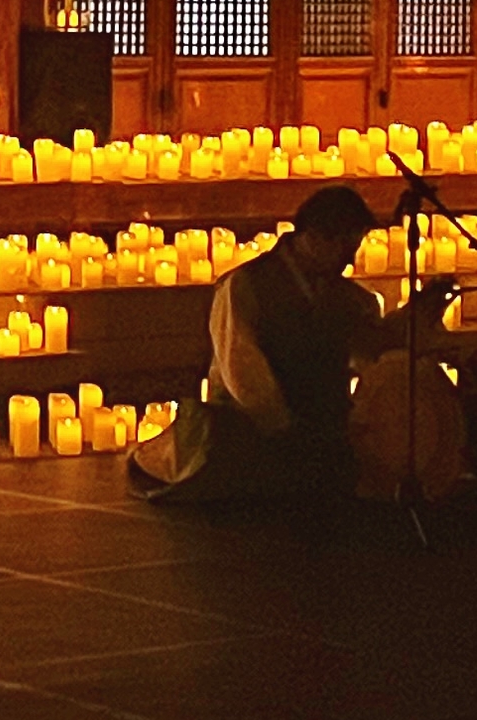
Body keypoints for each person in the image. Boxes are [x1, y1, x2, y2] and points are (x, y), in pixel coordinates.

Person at [131, 182, 424, 507]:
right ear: (313, 237)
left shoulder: (348, 298)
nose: (350, 259)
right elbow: (243, 369)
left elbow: (373, 352)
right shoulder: (246, 286)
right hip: (250, 428)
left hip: (320, 427)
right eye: (344, 247)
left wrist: (420, 315)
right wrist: (285, 427)